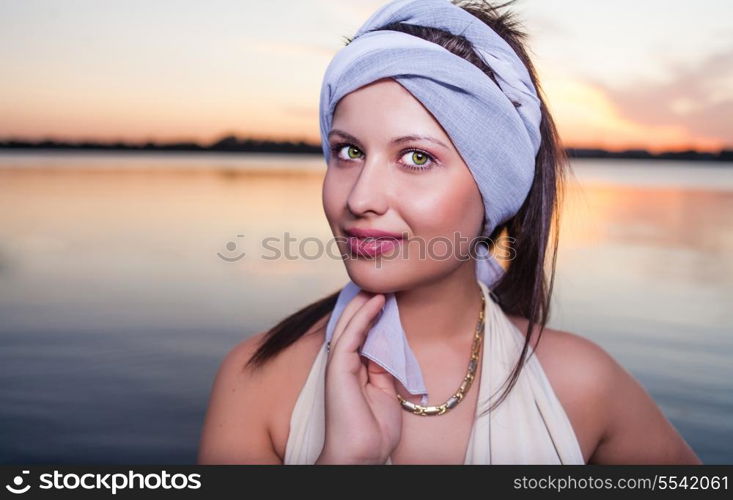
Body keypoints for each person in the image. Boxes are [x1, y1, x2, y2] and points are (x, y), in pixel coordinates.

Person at [197, 0, 701, 465]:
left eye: (417, 157)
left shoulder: (582, 385)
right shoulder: (257, 381)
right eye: (349, 151)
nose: (359, 198)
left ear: (492, 188)